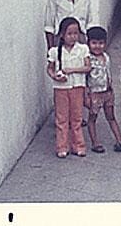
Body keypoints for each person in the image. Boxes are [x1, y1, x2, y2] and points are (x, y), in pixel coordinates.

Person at [46, 17, 91, 158]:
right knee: (62, 118)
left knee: (77, 117)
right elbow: (50, 68)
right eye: (69, 34)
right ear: (62, 35)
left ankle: (78, 145)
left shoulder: (83, 49)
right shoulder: (55, 51)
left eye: (75, 33)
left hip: (77, 86)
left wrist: (71, 70)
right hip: (61, 88)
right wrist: (55, 76)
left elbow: (88, 67)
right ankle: (62, 146)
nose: (73, 37)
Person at [85, 26, 121, 154]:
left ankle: (119, 141)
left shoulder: (106, 57)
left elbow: (108, 74)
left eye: (101, 43)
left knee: (111, 116)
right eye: (94, 43)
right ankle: (95, 143)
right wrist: (86, 96)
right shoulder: (87, 59)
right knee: (92, 118)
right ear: (88, 43)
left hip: (108, 92)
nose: (98, 46)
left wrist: (111, 89)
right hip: (94, 93)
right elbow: (85, 79)